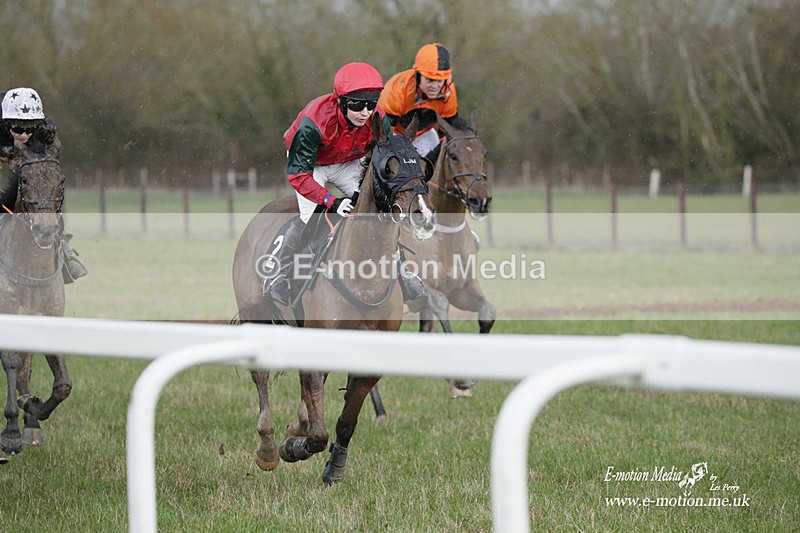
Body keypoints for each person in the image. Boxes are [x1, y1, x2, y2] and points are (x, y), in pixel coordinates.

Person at [264, 62, 393, 306]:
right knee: (310, 216)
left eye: (371, 103)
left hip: (348, 162)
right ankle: (280, 275)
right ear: (341, 101)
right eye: (357, 104)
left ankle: (404, 273)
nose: (365, 112)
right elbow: (299, 176)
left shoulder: (378, 117)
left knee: (377, 208)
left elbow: (387, 155)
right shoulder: (313, 123)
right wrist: (331, 202)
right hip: (312, 166)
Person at [0, 87, 87, 281]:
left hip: (26, 159)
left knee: (44, 191)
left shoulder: (45, 131)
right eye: (18, 129)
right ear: (6, 124)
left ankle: (64, 248)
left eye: (29, 129)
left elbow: (45, 171)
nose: (24, 134)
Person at [378, 43, 467, 161]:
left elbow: (446, 136)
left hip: (424, 135)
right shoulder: (397, 89)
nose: (435, 86)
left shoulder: (449, 92)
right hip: (394, 133)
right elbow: (383, 136)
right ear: (418, 75)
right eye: (430, 80)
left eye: (440, 81)